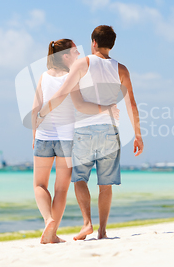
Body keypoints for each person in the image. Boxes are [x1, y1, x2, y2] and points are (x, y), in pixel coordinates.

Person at [37, 25, 144, 241]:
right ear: (111, 44)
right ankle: (102, 231)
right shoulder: (121, 69)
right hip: (110, 130)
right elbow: (131, 104)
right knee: (105, 185)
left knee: (80, 179)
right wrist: (138, 135)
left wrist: (42, 112)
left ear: (93, 42)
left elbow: (61, 93)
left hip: (84, 130)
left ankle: (87, 223)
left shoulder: (83, 63)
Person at [31, 39, 119, 244]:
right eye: (75, 52)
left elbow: (35, 108)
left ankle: (48, 221)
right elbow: (81, 106)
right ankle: (52, 232)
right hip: (68, 139)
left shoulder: (43, 77)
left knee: (39, 185)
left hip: (44, 137)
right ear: (65, 56)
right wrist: (106, 109)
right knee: (61, 189)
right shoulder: (74, 78)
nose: (79, 55)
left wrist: (33, 134)